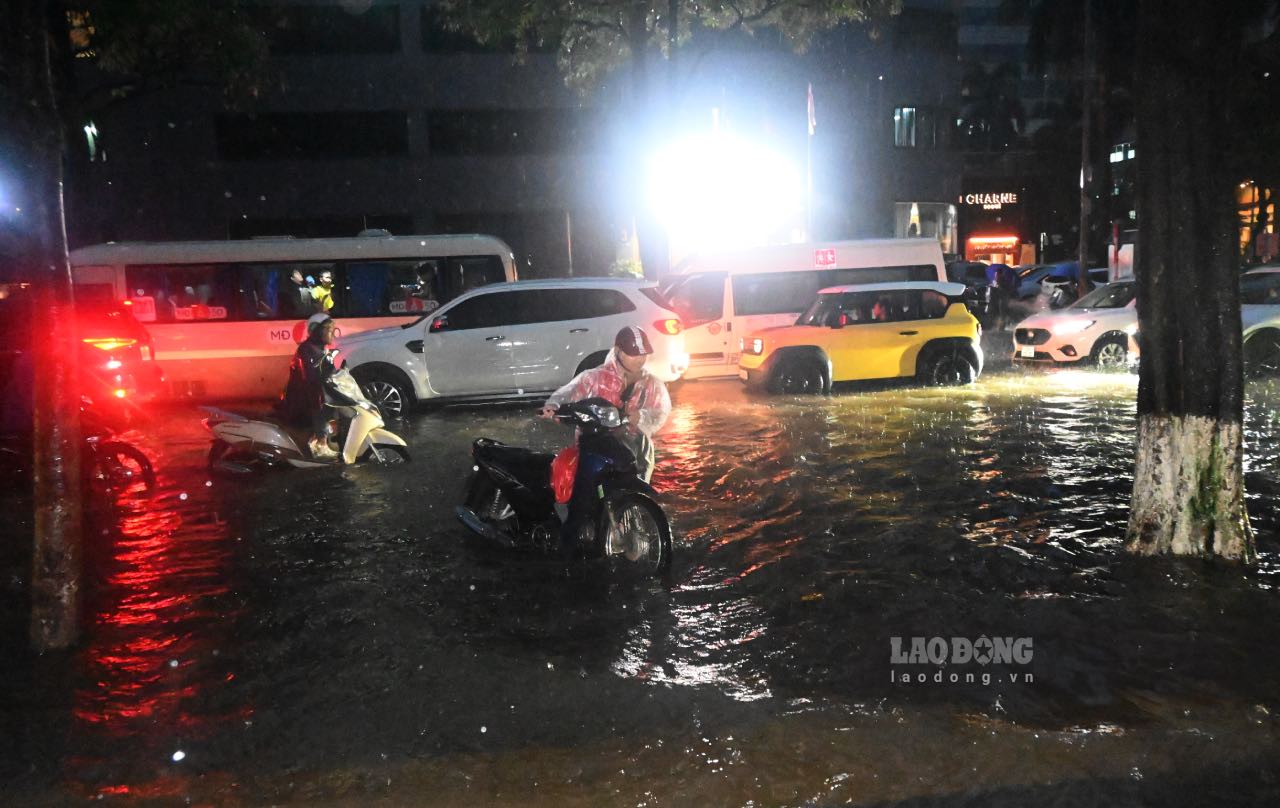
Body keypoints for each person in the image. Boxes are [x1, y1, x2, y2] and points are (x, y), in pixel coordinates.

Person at [539, 326, 672, 554]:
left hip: (635, 450)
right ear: (619, 351)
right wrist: (554, 407)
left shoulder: (652, 384)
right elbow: (568, 393)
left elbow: (662, 412)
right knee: (583, 499)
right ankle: (569, 545)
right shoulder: (594, 377)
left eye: (644, 354)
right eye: (633, 353)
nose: (640, 359)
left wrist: (641, 417)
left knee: (636, 497)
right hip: (596, 447)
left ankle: (635, 528)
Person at [279, 313, 338, 459]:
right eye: (329, 331)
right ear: (317, 330)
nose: (332, 335)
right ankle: (320, 442)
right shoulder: (307, 349)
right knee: (320, 402)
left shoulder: (320, 348)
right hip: (302, 396)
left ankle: (319, 439)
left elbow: (329, 368)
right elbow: (310, 377)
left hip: (312, 391)